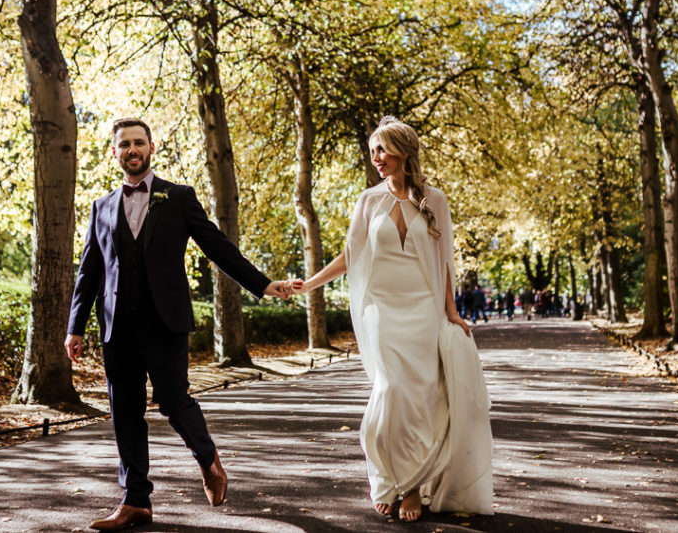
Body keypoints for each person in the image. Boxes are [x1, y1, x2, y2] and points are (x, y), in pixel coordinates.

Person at [64, 118, 294, 532]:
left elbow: (218, 247)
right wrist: (74, 327)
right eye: (124, 145)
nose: (132, 150)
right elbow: (89, 271)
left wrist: (263, 285)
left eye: (139, 143)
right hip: (117, 327)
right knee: (125, 412)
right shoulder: (100, 208)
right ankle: (136, 501)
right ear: (113, 153)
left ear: (151, 147)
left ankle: (208, 460)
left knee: (173, 400)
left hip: (165, 322)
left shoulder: (179, 198)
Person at [293, 116, 493, 522]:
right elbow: (352, 255)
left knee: (422, 398)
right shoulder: (368, 201)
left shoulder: (433, 199)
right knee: (391, 390)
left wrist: (451, 311)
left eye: (382, 149)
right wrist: (310, 284)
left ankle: (413, 486)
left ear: (404, 150)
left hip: (424, 308)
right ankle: (391, 479)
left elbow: (445, 261)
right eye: (372, 151)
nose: (376, 158)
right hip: (383, 311)